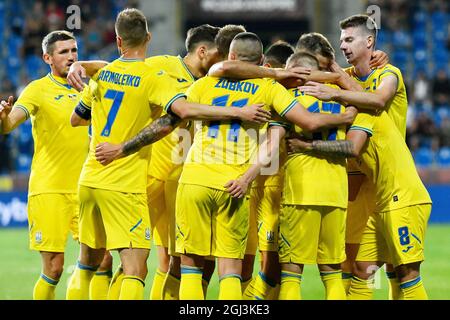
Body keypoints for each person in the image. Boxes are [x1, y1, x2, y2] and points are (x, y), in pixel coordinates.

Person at [95, 32, 356, 300]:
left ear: (230, 56)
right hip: (235, 185)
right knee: (230, 269)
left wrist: (123, 148)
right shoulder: (269, 89)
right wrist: (347, 112)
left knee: (191, 268)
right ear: (262, 61)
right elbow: (308, 123)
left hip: (194, 182)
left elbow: (165, 124)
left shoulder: (205, 84)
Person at [66, 10, 270, 300]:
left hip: (181, 181)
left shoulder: (219, 85)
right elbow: (127, 69)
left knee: (173, 262)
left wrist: (81, 66)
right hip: (145, 179)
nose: (229, 67)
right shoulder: (162, 68)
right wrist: (81, 64)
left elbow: (117, 69)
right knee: (136, 265)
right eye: (224, 59)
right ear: (204, 52)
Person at [297, 14, 409, 298]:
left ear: (369, 41)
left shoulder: (388, 74)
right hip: (354, 180)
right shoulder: (342, 78)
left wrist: (334, 87)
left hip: (387, 177)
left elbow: (376, 101)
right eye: (341, 40)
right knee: (355, 266)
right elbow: (300, 75)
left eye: (349, 39)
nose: (343, 45)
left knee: (398, 268)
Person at [227, 51, 350, 300]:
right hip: (337, 193)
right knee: (333, 274)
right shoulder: (343, 102)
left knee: (292, 274)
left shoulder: (289, 99)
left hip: (301, 192)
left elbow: (272, 144)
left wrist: (247, 177)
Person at [0, 30, 89, 300]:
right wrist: (3, 118)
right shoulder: (37, 89)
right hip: (49, 189)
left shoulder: (91, 88)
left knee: (101, 259)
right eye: (64, 52)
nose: (71, 56)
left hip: (87, 188)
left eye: (74, 50)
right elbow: (11, 124)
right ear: (47, 57)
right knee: (54, 268)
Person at [242, 40, 295, 300]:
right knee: (240, 266)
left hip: (272, 187)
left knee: (272, 267)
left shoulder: (294, 99)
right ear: (271, 67)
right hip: (249, 185)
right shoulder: (261, 91)